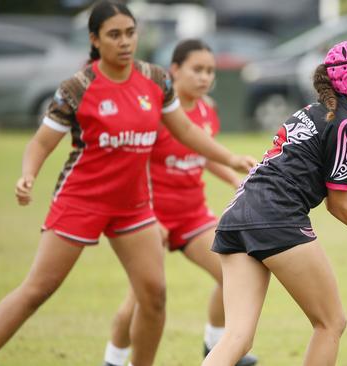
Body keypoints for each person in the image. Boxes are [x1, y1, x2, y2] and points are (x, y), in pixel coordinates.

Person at [0, 2, 255, 366]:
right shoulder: (78, 87)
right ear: (94, 39)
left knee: (153, 296)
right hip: (81, 201)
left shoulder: (154, 79)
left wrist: (229, 159)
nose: (125, 42)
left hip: (134, 207)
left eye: (130, 32)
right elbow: (41, 142)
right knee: (38, 289)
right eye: (114, 34)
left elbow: (185, 130)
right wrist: (28, 173)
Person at [201, 38, 347, 366]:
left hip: (238, 214)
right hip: (277, 218)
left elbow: (336, 195)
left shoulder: (314, 113)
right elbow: (338, 207)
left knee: (237, 337)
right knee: (331, 323)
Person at [102, 39, 257, 366]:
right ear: (174, 70)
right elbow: (132, 164)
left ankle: (215, 344)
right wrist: (147, 216)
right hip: (148, 217)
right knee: (142, 298)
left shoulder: (207, 109)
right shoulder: (155, 112)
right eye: (196, 69)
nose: (204, 77)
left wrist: (232, 177)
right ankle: (114, 360)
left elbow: (202, 151)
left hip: (191, 216)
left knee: (233, 272)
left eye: (210, 71)